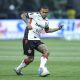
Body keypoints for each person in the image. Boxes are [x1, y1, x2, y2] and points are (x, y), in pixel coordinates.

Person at [14, 6, 63, 76]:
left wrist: (58, 28)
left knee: (46, 51)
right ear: (40, 12)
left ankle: (42, 68)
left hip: (37, 39)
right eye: (43, 12)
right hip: (28, 38)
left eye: (46, 12)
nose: (45, 13)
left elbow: (47, 30)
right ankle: (18, 69)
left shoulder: (46, 21)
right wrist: (28, 24)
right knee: (30, 59)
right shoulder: (34, 15)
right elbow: (22, 15)